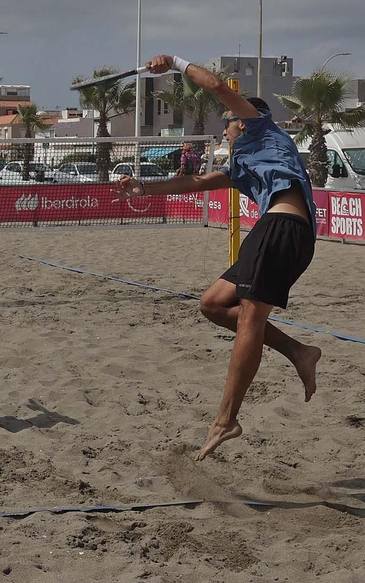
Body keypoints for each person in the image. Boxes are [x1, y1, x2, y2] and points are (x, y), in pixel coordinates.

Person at [119, 54, 322, 461]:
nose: (224, 129)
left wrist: (175, 62)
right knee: (212, 304)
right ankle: (299, 351)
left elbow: (215, 87)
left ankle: (226, 419)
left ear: (242, 122)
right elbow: (193, 182)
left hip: (284, 227)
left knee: (249, 316)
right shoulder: (243, 164)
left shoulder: (263, 130)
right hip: (278, 230)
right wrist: (144, 188)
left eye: (227, 123)